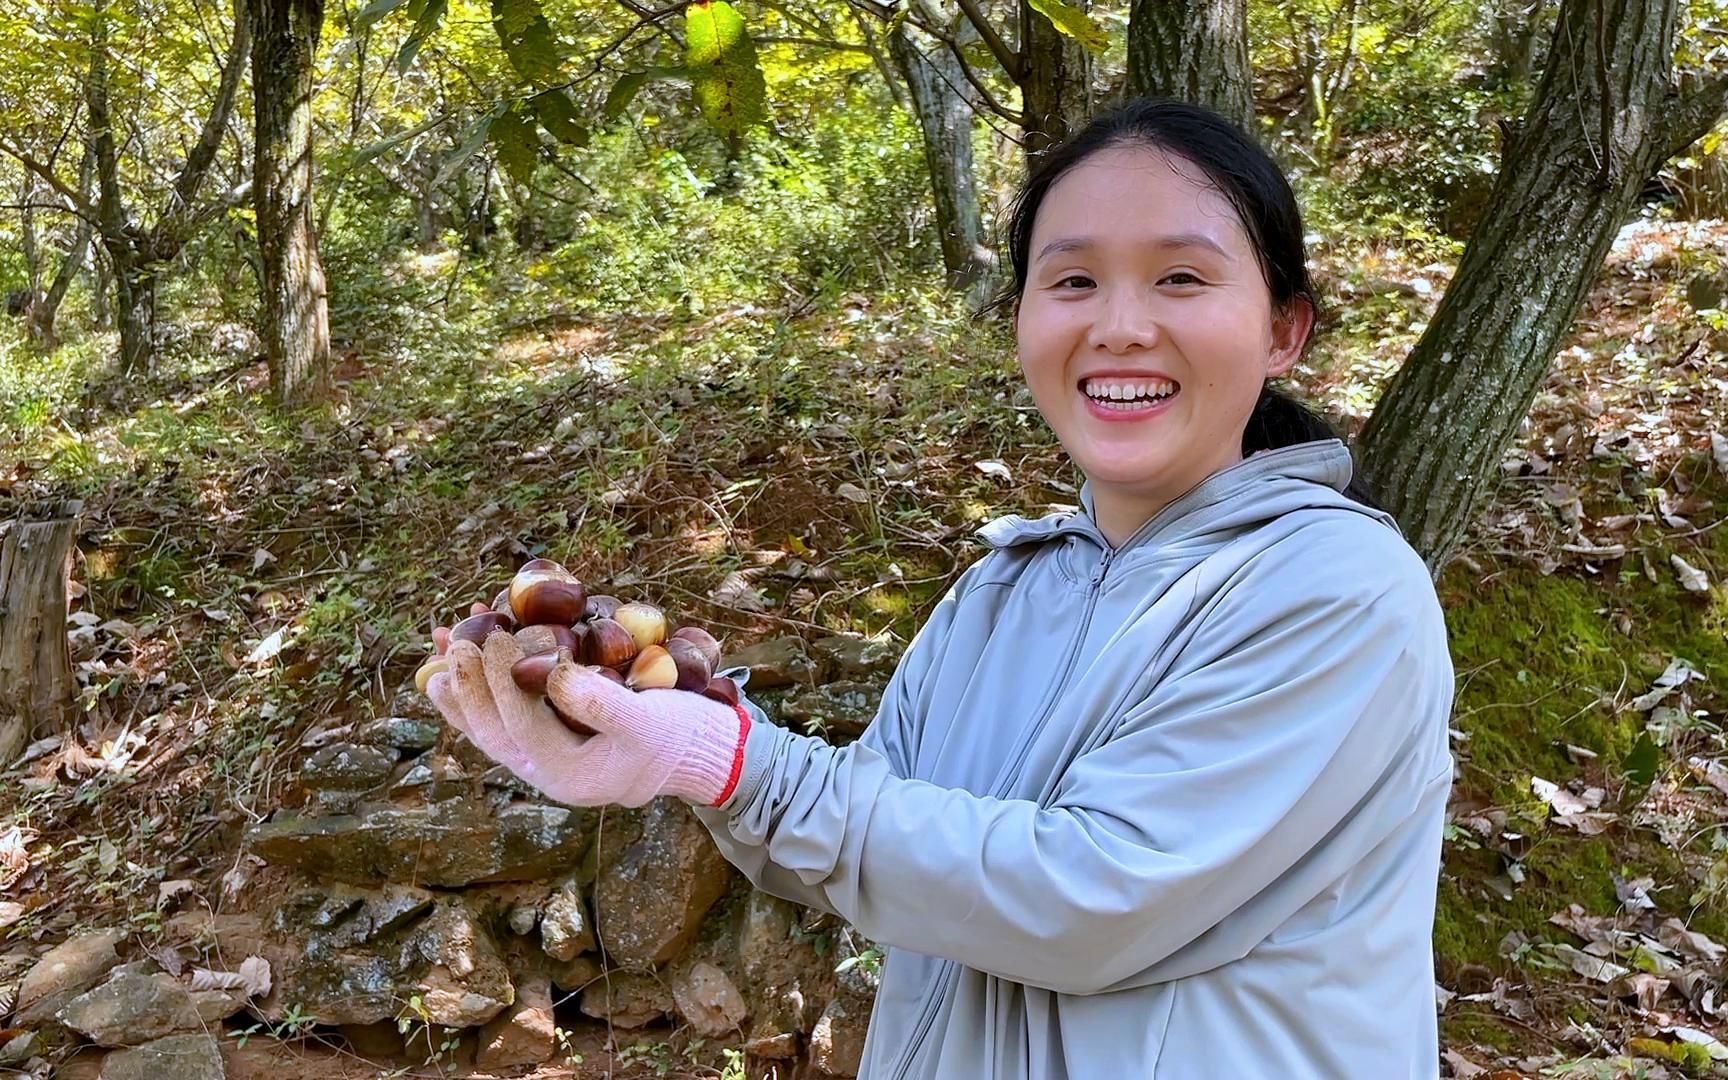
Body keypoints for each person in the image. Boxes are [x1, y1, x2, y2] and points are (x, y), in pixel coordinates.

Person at [427, 97, 1456, 1079]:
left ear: (1284, 331)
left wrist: (750, 772)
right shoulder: (1003, 591)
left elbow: (1096, 899)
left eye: (1182, 279)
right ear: (1021, 320)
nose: (1121, 327)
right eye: (1072, 282)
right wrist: (681, 743)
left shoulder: (1339, 590)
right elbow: (873, 844)